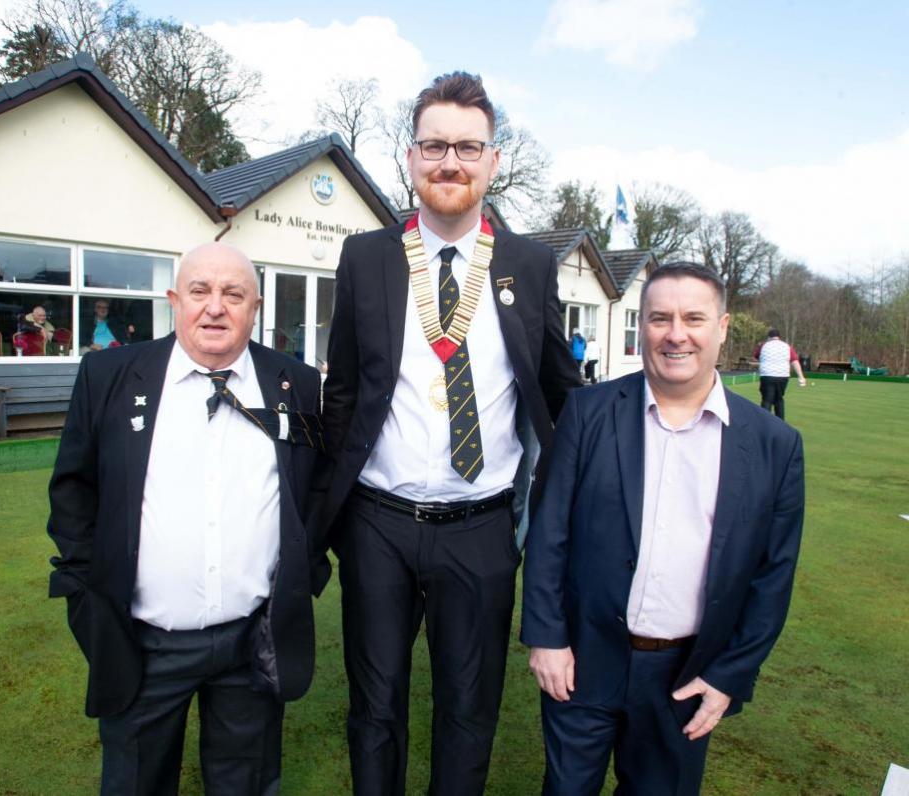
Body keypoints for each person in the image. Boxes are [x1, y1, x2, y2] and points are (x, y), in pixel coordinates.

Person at [315, 71, 581, 795]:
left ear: (493, 161)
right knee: (375, 709)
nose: (450, 163)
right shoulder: (366, 258)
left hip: (482, 530)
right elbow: (341, 392)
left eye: (469, 148)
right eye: (435, 146)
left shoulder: (527, 264)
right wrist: (336, 523)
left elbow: (561, 389)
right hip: (377, 524)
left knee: (470, 712)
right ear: (411, 158)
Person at [47, 242, 324, 795]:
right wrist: (87, 596)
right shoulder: (109, 376)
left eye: (233, 294)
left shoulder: (297, 384)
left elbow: (314, 489)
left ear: (256, 308)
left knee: (245, 783)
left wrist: (304, 575)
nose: (215, 307)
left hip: (254, 641)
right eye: (200, 291)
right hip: (142, 643)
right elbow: (73, 494)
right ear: (176, 300)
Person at [522, 262, 805, 795]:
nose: (676, 334)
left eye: (693, 318)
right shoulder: (587, 413)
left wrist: (729, 675)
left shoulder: (774, 446)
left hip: (685, 676)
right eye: (659, 318)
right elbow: (548, 530)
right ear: (643, 327)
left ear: (721, 328)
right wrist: (546, 638)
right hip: (582, 661)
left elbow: (773, 579)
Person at [754, 328, 806, 419]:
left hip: (767, 375)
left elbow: (756, 356)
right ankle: (781, 423)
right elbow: (795, 362)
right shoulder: (787, 346)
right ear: (779, 337)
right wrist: (801, 377)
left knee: (767, 400)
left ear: (769, 337)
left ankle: (764, 422)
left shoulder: (763, 345)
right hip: (783, 376)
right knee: (779, 399)